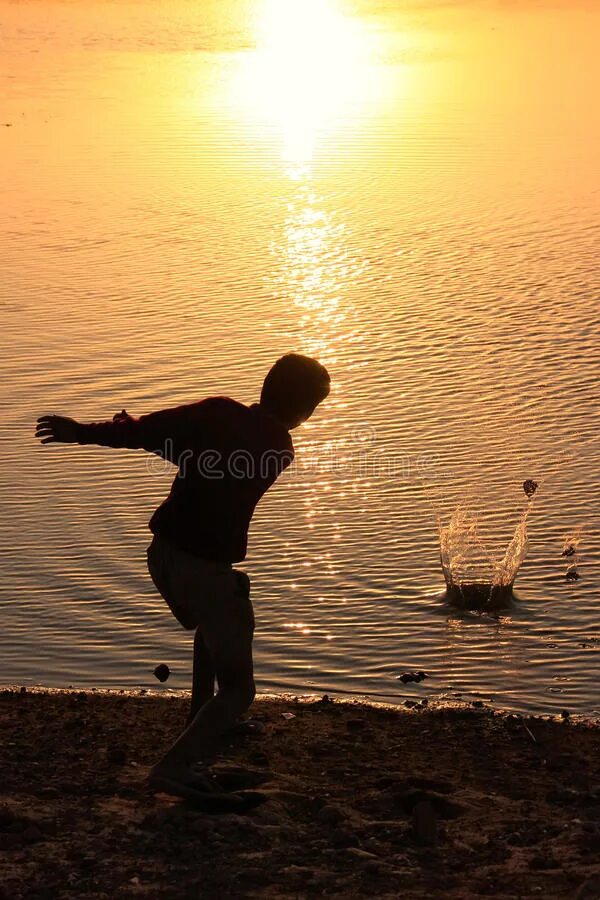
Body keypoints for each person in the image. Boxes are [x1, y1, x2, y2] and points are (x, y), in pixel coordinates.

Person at [35, 353, 330, 803]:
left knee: (225, 612)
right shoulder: (279, 450)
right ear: (303, 411)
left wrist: (82, 432)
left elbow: (159, 438)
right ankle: (174, 766)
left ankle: (201, 720)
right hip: (201, 569)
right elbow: (209, 463)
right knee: (240, 687)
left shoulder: (217, 412)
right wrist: (150, 441)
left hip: (164, 557)